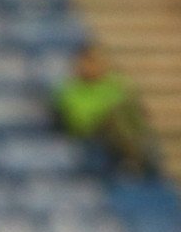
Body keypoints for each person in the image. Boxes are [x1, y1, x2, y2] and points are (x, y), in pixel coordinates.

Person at [54, 44, 161, 177]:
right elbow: (79, 119)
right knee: (116, 116)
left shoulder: (118, 83)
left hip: (122, 130)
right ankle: (136, 160)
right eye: (88, 62)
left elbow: (136, 113)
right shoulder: (69, 90)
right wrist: (107, 111)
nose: (92, 66)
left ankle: (137, 158)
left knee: (127, 113)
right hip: (91, 131)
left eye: (96, 61)